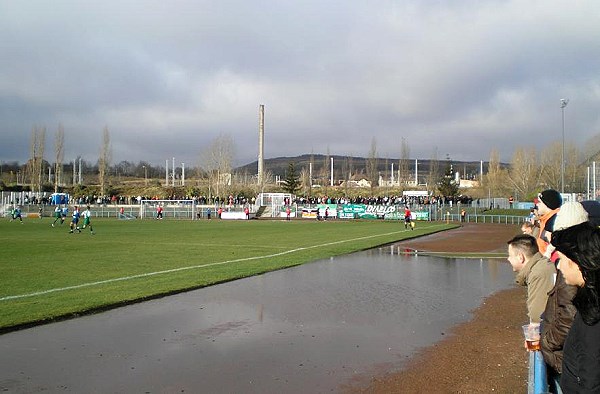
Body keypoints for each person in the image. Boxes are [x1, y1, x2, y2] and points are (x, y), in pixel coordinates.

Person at [540, 202, 587, 393]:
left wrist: (546, 341)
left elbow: (568, 314)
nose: (547, 237)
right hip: (565, 359)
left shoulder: (573, 268)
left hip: (565, 360)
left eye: (551, 233)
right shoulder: (569, 265)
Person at [550, 222, 600, 392]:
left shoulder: (593, 314)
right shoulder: (588, 300)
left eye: (562, 260)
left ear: (577, 262)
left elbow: (591, 380)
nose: (559, 266)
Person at [507, 234, 555, 323]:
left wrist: (533, 331)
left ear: (520, 257)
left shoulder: (539, 273)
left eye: (510, 255)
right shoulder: (539, 267)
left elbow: (537, 315)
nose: (508, 259)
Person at [536, 189, 562, 257]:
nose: (537, 204)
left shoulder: (554, 221)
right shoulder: (546, 219)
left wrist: (547, 255)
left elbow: (556, 244)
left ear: (547, 204)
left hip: (551, 263)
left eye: (539, 202)